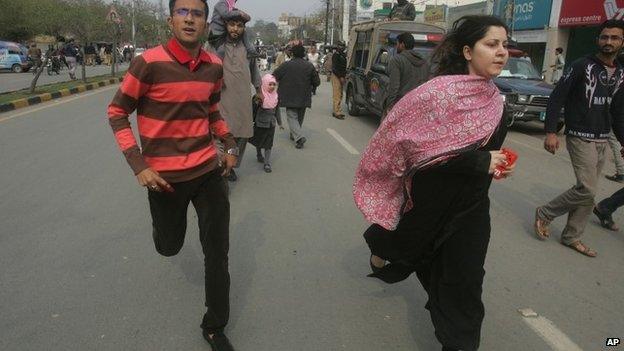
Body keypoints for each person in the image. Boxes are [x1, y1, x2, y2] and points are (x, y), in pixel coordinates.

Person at [353, 15, 512, 351]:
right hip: (430, 203)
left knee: (465, 283)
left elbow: (486, 153)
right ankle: (383, 249)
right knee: (421, 258)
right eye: (491, 44)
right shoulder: (438, 94)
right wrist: (480, 161)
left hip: (471, 210)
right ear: (468, 52)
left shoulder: (498, 102)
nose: (501, 52)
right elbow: (414, 149)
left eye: (504, 45)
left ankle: (457, 343)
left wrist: (494, 165)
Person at [106, 0, 238, 350]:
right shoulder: (147, 63)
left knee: (217, 251)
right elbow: (118, 113)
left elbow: (212, 111)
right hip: (164, 181)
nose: (190, 19)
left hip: (208, 171)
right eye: (183, 12)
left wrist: (229, 143)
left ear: (207, 23)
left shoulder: (214, 65)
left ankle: (214, 325)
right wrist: (140, 165)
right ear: (171, 21)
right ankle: (163, 233)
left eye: (197, 13)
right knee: (169, 246)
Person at [535, 20, 624, 258]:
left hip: (602, 138)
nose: (608, 42)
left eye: (614, 38)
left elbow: (617, 112)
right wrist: (551, 131)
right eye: (604, 37)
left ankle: (571, 236)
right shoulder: (580, 65)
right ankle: (546, 212)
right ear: (598, 40)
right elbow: (557, 97)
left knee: (588, 192)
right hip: (580, 135)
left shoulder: (621, 73)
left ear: (622, 42)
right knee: (586, 189)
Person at [216, 10, 262, 182]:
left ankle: (232, 164)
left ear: (244, 29)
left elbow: (254, 71)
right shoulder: (215, 47)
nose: (235, 28)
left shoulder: (248, 50)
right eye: (232, 24)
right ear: (226, 26)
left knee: (241, 134)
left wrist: (259, 90)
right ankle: (220, 165)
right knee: (222, 132)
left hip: (242, 98)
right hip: (221, 97)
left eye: (239, 26)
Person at [273, 44, 320, 149]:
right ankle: (294, 134)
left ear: (292, 53)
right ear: (304, 54)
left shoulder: (286, 65)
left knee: (292, 117)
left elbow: (274, 75)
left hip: (289, 96)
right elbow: (317, 82)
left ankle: (298, 137)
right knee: (299, 117)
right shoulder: (309, 66)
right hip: (304, 96)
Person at [385, 32, 430, 112]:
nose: (396, 46)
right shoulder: (425, 62)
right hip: (419, 104)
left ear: (402, 44)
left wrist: (390, 106)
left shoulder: (396, 60)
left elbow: (394, 86)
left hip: (401, 105)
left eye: (397, 44)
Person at [250, 74, 284, 173]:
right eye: (270, 84)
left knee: (268, 144)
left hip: (271, 125)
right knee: (259, 141)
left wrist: (280, 123)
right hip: (260, 123)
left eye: (274, 84)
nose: (272, 86)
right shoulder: (259, 97)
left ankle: (266, 163)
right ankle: (259, 154)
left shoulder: (276, 97)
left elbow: (277, 111)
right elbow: (252, 110)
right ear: (264, 84)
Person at [330, 42, 347, 119]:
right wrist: (340, 77)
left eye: (343, 46)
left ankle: (337, 110)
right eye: (340, 46)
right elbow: (335, 68)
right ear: (337, 47)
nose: (342, 47)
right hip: (336, 75)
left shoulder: (343, 55)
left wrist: (344, 76)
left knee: (340, 94)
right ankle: (336, 112)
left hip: (342, 76)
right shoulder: (335, 55)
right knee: (337, 93)